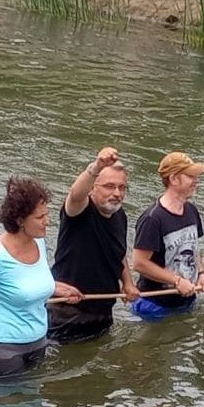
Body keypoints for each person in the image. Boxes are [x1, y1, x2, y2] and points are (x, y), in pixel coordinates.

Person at [0, 176, 78, 378]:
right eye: (39, 217)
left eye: (47, 214)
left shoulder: (39, 243)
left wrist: (55, 287)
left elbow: (27, 280)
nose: (47, 221)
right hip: (1, 352)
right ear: (20, 220)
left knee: (34, 406)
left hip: (37, 342)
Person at [48, 147, 136, 344]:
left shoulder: (120, 216)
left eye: (122, 187)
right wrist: (96, 166)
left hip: (104, 311)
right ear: (93, 187)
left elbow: (118, 252)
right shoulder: (79, 211)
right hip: (68, 312)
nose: (117, 193)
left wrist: (128, 283)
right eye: (109, 186)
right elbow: (75, 194)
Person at [131, 151, 204, 317]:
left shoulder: (191, 210)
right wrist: (176, 281)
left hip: (187, 299)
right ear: (174, 179)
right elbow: (139, 263)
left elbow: (193, 249)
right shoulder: (152, 219)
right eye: (191, 176)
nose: (196, 181)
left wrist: (202, 274)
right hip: (154, 305)